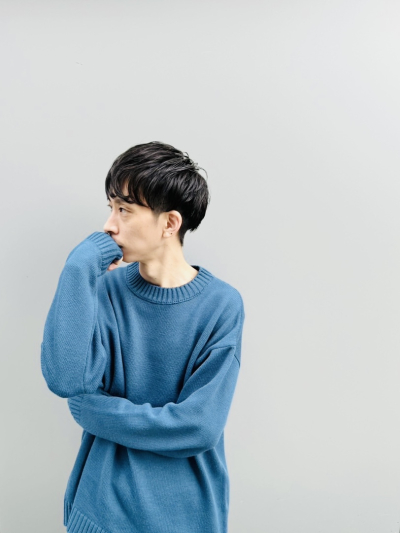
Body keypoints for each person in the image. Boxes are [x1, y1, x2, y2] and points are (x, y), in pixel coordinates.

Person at [40, 141, 246, 533]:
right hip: (100, 513)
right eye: (110, 208)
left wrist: (95, 411)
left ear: (170, 224)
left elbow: (198, 427)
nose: (109, 225)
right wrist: (78, 269)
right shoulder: (105, 291)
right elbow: (66, 381)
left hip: (187, 517)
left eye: (124, 210)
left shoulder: (221, 305)